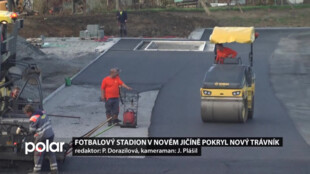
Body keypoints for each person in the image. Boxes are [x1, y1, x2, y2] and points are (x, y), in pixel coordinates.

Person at [23, 104, 58, 174]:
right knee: (50, 152)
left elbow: (32, 130)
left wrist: (26, 130)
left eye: (26, 113)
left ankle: (36, 171)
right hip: (50, 134)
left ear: (29, 112)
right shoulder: (42, 112)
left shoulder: (33, 118)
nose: (26, 115)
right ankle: (54, 171)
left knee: (38, 154)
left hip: (42, 137)